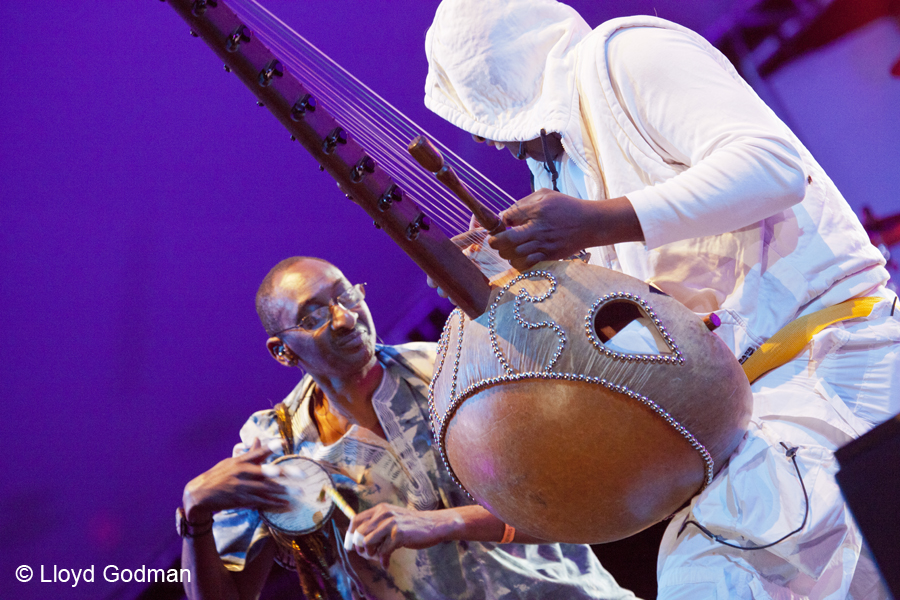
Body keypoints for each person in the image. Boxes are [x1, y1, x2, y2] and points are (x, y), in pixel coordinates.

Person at [422, 1, 900, 598]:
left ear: (507, 79)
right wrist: (507, 279)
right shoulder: (561, 167)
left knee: (708, 576)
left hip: (837, 366)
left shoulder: (628, 55)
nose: (480, 138)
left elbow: (774, 166)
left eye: (477, 111)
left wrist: (597, 223)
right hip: (759, 418)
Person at [178, 256, 636, 600]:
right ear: (283, 352)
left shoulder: (455, 369)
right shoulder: (275, 449)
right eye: (314, 315)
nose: (344, 318)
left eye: (346, 296)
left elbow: (570, 504)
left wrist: (441, 523)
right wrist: (194, 517)